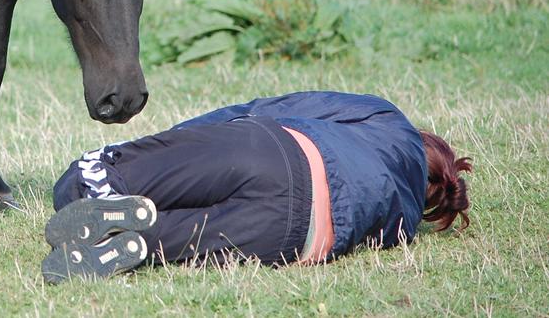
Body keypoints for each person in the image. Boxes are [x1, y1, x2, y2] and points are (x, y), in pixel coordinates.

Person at [42, 91, 472, 283]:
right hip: (292, 236)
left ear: (426, 143)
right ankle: (139, 242)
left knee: (81, 177)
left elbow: (271, 108)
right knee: (176, 240)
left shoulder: (388, 120)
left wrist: (174, 144)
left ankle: (110, 204)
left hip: (277, 155)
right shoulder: (405, 222)